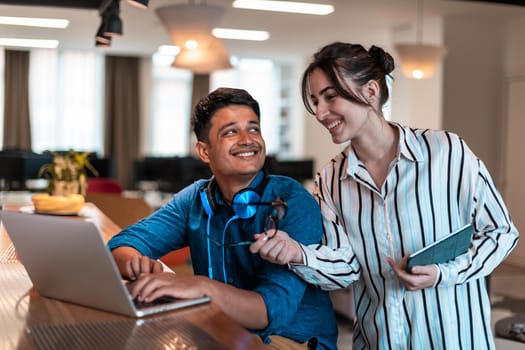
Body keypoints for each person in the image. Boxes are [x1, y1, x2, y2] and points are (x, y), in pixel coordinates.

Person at [250, 42, 519, 349]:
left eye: (330, 97)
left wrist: (443, 274)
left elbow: (501, 232)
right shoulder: (332, 179)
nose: (321, 113)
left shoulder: (446, 151)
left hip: (455, 339)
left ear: (371, 91)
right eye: (315, 101)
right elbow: (345, 267)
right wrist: (297, 253)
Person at [107, 87, 338, 349]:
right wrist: (136, 262)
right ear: (204, 152)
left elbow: (270, 312)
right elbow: (122, 243)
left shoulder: (293, 201)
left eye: (253, 128)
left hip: (288, 339)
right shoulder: (196, 198)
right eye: (231, 132)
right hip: (220, 329)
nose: (247, 139)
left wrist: (202, 287)